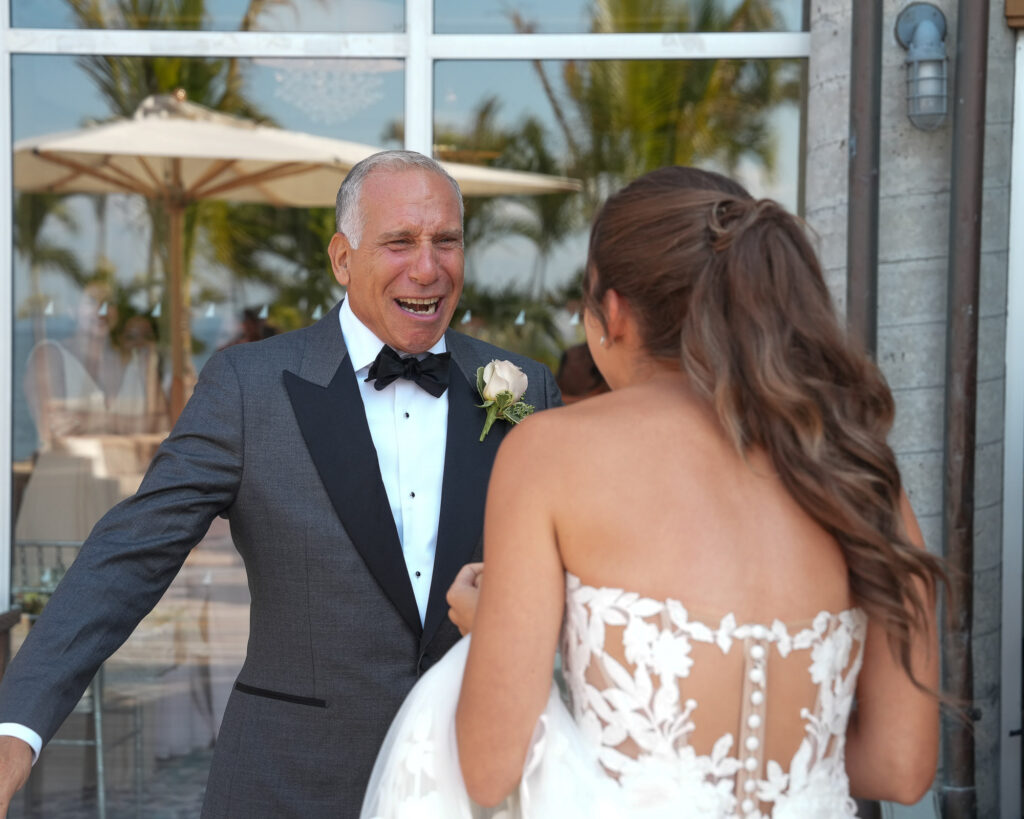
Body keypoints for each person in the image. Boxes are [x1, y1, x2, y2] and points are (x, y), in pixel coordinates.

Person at [360, 167, 946, 817]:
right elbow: (902, 765)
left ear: (612, 311)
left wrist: (487, 628)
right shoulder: (857, 466)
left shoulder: (551, 451)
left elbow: (489, 767)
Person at [0, 150, 561, 818]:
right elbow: (131, 553)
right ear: (342, 258)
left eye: (446, 241)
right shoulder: (249, 388)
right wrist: (17, 723)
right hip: (289, 784)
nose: (427, 266)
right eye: (399, 241)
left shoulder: (525, 386)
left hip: (474, 783)